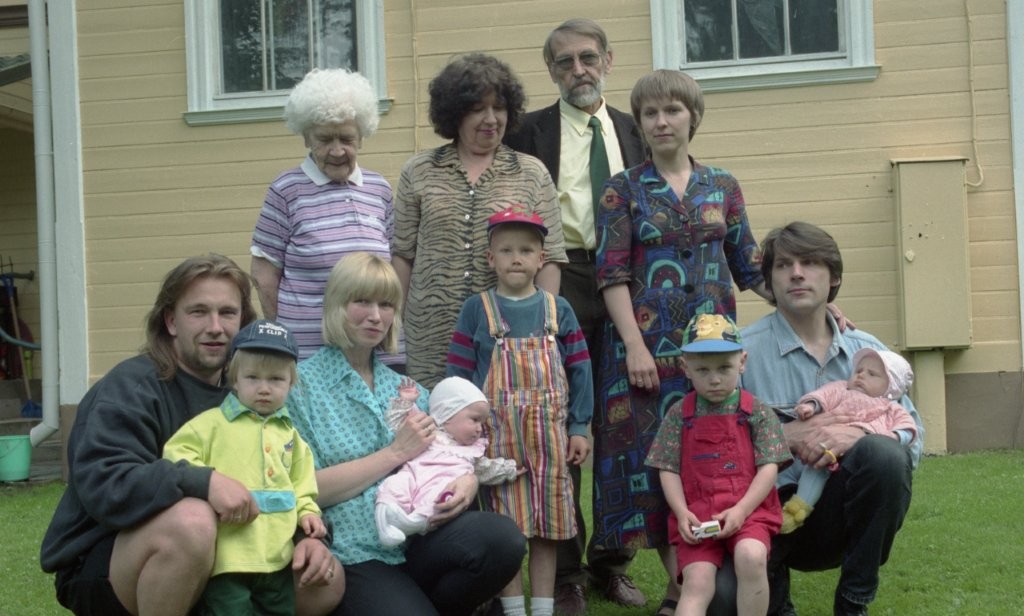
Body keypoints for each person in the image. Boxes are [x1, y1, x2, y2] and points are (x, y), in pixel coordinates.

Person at [40, 254, 343, 616]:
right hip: (109, 558)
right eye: (198, 312)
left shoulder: (251, 396)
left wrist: (308, 537)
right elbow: (105, 484)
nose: (215, 327)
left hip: (227, 553)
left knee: (326, 580)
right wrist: (204, 481)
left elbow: (284, 480)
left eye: (227, 313)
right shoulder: (131, 387)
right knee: (192, 522)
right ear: (171, 321)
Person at [593, 69, 772, 615]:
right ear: (640, 124)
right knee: (652, 466)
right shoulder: (622, 190)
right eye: (649, 113)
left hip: (710, 357)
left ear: (693, 117)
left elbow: (750, 266)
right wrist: (635, 346)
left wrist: (812, 301)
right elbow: (611, 274)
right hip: (645, 351)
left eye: (672, 110)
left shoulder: (723, 185)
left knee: (707, 458)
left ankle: (702, 573)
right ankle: (679, 584)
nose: (661, 121)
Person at [287, 252, 527, 616]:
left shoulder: (407, 389)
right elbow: (305, 489)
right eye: (362, 301)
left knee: (504, 541)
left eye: (386, 305)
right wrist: (395, 453)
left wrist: (469, 481)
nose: (376, 316)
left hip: (420, 536)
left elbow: (450, 450)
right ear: (337, 305)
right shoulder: (300, 387)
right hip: (355, 548)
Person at [502, 18, 647, 613]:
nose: (578, 70)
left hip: (629, 283)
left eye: (588, 58)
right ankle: (563, 572)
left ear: (608, 61)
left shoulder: (638, 129)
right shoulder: (526, 134)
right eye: (564, 62)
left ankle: (613, 562)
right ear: (551, 71)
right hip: (558, 277)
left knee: (623, 425)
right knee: (557, 422)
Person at [736, 221, 925, 616]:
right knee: (722, 599)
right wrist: (785, 435)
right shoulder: (740, 354)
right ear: (770, 281)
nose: (796, 273)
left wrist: (860, 435)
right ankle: (774, 600)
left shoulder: (869, 354)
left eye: (809, 262)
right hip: (762, 515)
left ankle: (853, 602)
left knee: (885, 455)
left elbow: (913, 439)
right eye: (783, 265)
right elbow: (711, 444)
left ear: (834, 276)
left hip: (841, 513)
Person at [446, 208, 592, 616]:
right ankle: (512, 609)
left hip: (550, 441)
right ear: (490, 258)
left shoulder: (558, 310)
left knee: (546, 527)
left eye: (526, 250)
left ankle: (542, 608)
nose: (516, 258)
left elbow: (581, 370)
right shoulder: (477, 310)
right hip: (496, 441)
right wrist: (458, 426)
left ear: (541, 258)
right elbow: (457, 376)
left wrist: (580, 426)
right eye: (506, 250)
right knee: (505, 526)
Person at [392, 52, 568, 390]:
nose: (491, 119)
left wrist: (540, 329)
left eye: (499, 108)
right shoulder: (419, 171)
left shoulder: (531, 173)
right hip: (431, 337)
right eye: (477, 109)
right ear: (455, 113)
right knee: (434, 417)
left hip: (509, 337)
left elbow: (551, 258)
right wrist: (391, 323)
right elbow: (403, 255)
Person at [162, 319, 327, 615]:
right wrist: (211, 483)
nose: (264, 388)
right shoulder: (210, 425)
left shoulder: (291, 436)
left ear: (291, 384)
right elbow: (176, 456)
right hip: (229, 559)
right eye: (252, 377)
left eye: (276, 379)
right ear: (234, 379)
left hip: (279, 557)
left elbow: (302, 486)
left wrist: (308, 513)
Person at [250, 68, 401, 366]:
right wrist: (283, 338)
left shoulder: (379, 189)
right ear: (307, 137)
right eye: (324, 139)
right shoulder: (286, 190)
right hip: (308, 356)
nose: (337, 150)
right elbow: (264, 275)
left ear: (362, 137)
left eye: (346, 138)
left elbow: (393, 268)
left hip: (374, 357)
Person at [646, 313, 791, 616]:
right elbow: (667, 468)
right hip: (697, 517)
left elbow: (769, 467)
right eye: (703, 370)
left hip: (749, 512)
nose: (714, 379)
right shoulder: (678, 415)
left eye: (724, 368)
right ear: (685, 367)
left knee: (751, 556)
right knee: (696, 581)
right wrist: (681, 512)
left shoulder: (757, 412)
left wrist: (742, 510)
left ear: (742, 362)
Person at [781, 348, 918, 534]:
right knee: (813, 472)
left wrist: (892, 436)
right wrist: (811, 406)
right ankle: (797, 510)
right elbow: (823, 395)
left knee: (879, 460)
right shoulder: (842, 389)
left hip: (855, 464)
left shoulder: (890, 407)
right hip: (823, 452)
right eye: (859, 370)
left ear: (891, 387)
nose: (861, 375)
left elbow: (907, 428)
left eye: (872, 374)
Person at [375, 376, 520, 547]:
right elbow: (397, 422)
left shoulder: (470, 453)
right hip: (412, 475)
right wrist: (405, 402)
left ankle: (413, 523)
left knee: (439, 499)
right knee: (394, 484)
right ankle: (385, 521)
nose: (479, 429)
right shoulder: (427, 431)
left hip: (439, 486)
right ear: (448, 415)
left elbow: (487, 470)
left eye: (482, 423)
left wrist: (510, 469)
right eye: (475, 420)